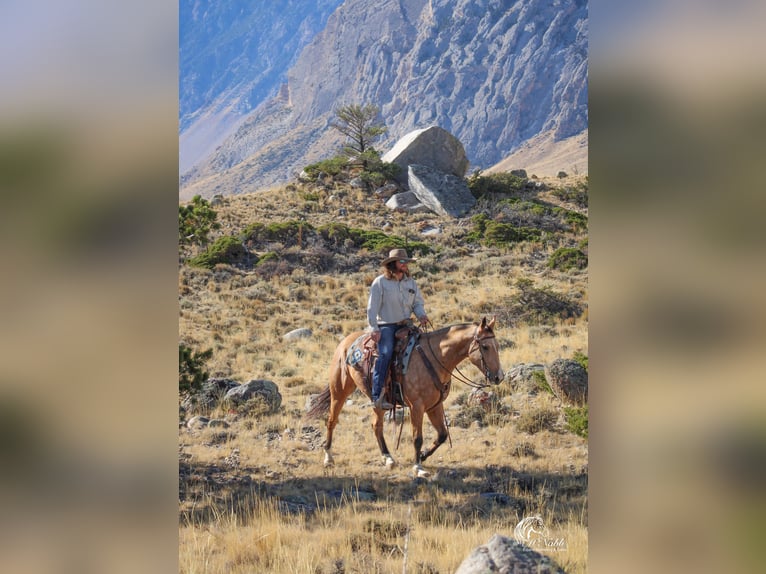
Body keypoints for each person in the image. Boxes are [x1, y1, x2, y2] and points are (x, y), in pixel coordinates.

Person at [366, 248, 429, 409]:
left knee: (424, 348)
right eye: (402, 262)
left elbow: (417, 303)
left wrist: (421, 315)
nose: (405, 265)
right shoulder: (380, 282)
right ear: (392, 264)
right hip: (386, 325)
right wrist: (374, 328)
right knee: (385, 353)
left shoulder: (411, 283)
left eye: (406, 262)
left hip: (406, 324)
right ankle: (377, 394)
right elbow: (372, 308)